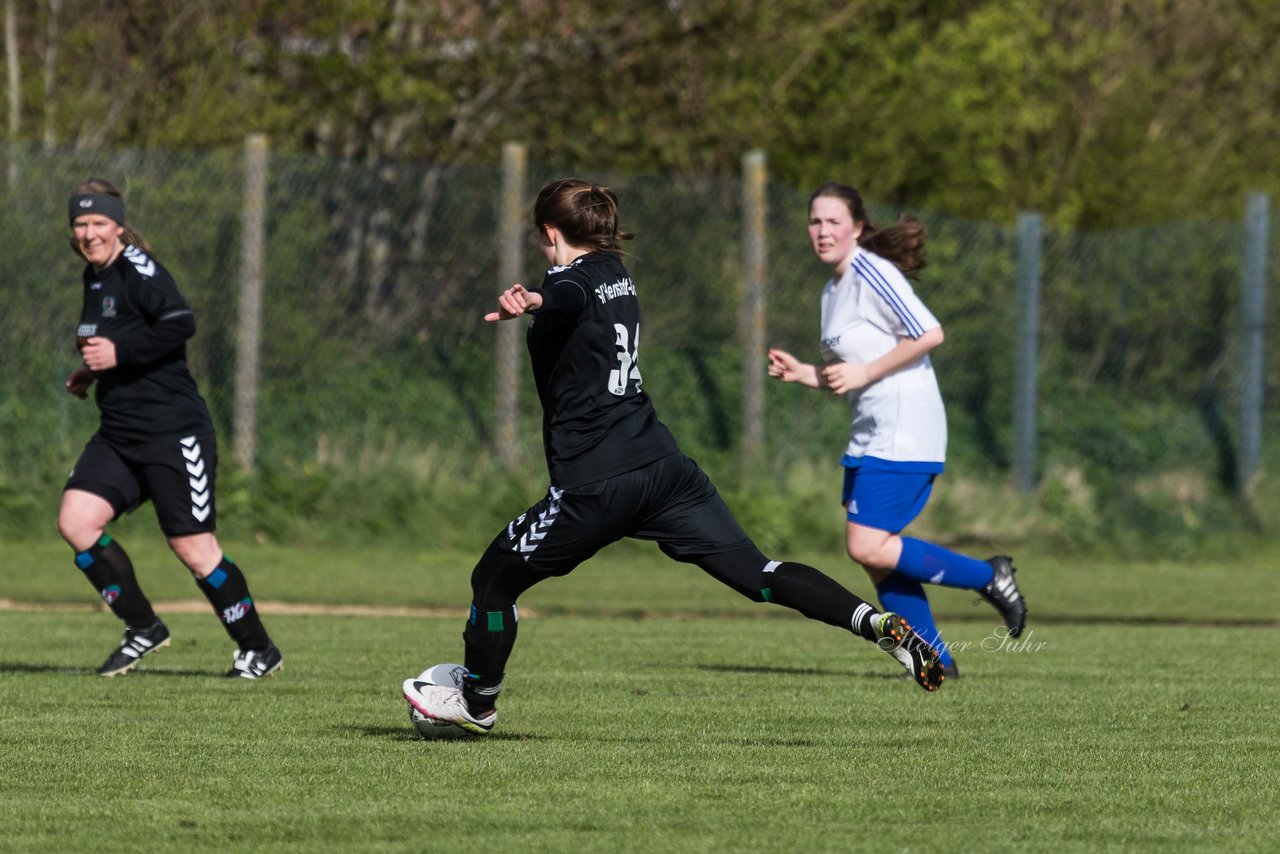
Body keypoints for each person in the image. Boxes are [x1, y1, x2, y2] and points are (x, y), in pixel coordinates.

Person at [404, 179, 946, 736]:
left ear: (549, 233)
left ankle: (477, 702)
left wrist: (535, 300)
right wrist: (545, 297)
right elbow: (579, 293)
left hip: (597, 482)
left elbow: (565, 296)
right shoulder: (617, 272)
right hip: (665, 470)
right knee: (758, 573)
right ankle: (874, 622)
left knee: (493, 581)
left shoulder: (567, 282)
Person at [767, 182, 1027, 679]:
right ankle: (935, 660)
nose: (822, 231)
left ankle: (989, 576)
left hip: (905, 426)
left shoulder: (871, 270)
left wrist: (863, 374)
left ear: (858, 227)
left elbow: (929, 333)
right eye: (814, 221)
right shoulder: (832, 289)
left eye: (833, 221)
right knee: (878, 558)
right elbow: (852, 369)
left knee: (866, 544)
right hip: (870, 431)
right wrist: (804, 372)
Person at [59, 178, 282, 679]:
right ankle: (143, 628)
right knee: (77, 522)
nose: (89, 233)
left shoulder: (140, 269)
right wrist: (93, 371)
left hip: (173, 433)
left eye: (98, 223)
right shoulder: (93, 276)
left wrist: (118, 354)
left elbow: (179, 322)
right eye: (80, 224)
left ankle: (258, 649)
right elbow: (119, 336)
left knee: (194, 550)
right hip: (119, 433)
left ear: (118, 225)